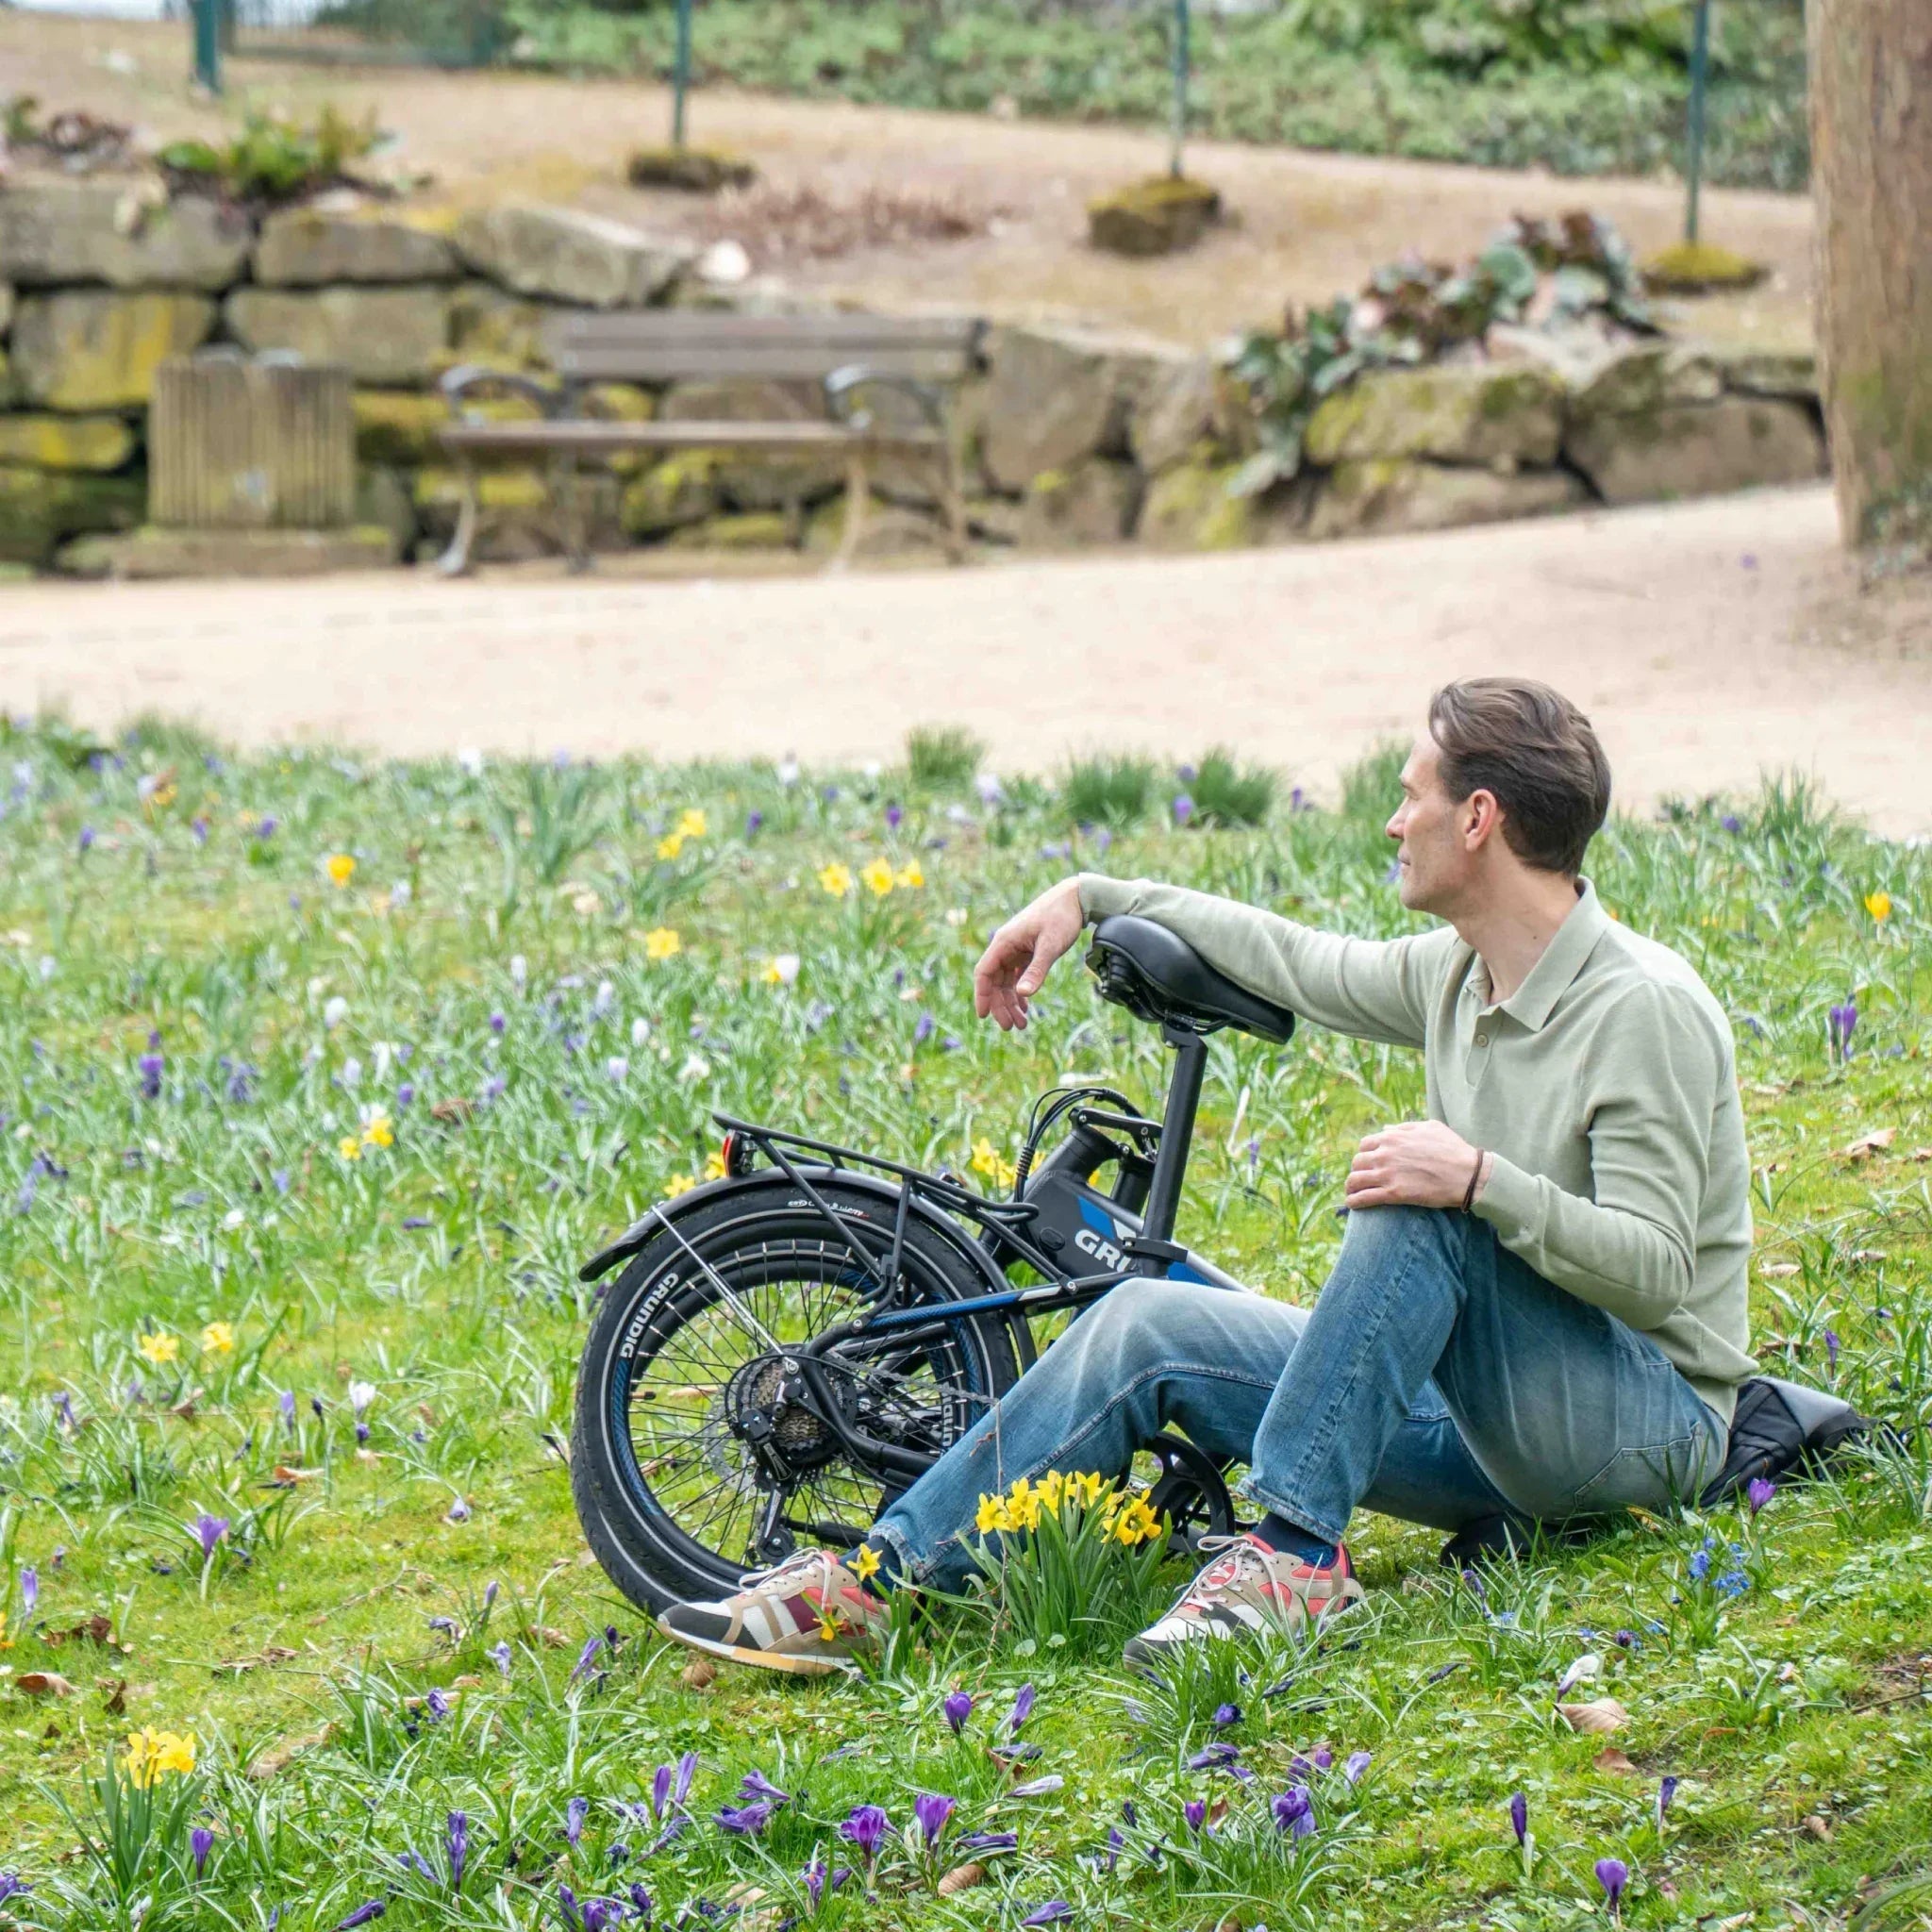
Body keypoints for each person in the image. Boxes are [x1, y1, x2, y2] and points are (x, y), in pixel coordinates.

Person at [657, 677, 1754, 1677]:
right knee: (1144, 1318)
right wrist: (1088, 892)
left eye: (1409, 795)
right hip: (1481, 1424)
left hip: (1638, 1425)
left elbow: (1657, 1276)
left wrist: (1478, 1181)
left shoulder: (1637, 1007)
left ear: (1478, 819)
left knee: (1423, 1200)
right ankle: (881, 1581)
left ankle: (1290, 1556)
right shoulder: (1456, 975)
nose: (1390, 820)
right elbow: (1291, 958)